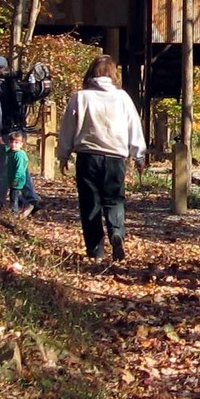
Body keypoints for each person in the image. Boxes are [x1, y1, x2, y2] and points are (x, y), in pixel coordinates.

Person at [57, 55, 146, 260]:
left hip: (88, 156)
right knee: (115, 199)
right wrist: (138, 155)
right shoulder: (123, 97)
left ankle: (96, 250)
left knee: (90, 203)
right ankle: (116, 231)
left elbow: (68, 128)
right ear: (113, 74)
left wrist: (64, 155)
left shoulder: (81, 97)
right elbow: (134, 126)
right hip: (116, 157)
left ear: (91, 73)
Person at [0, 55, 30, 208]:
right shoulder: (16, 83)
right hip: (20, 130)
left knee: (0, 167)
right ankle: (29, 199)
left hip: (5, 131)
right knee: (20, 165)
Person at [5, 128, 40, 217]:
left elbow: (20, 169)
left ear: (21, 144)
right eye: (12, 142)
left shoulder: (20, 155)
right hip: (12, 178)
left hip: (18, 180)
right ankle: (28, 206)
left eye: (16, 143)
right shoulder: (11, 152)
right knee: (15, 196)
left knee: (14, 196)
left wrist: (16, 179)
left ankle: (15, 214)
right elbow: (5, 149)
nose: (14, 145)